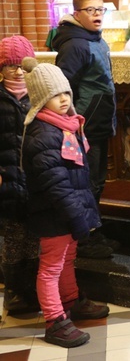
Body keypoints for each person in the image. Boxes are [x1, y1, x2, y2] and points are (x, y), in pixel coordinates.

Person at [21, 58, 110, 348]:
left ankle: (71, 300)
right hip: (54, 213)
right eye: (54, 96)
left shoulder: (67, 126)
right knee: (50, 268)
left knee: (67, 260)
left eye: (66, 93)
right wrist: (76, 216)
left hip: (68, 210)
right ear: (40, 100)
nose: (63, 100)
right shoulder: (44, 134)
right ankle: (55, 320)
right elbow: (55, 184)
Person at [52, 0, 118, 259]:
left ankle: (95, 231)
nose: (97, 14)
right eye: (90, 10)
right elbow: (63, 88)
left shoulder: (96, 40)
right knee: (86, 182)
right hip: (84, 126)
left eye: (100, 9)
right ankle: (86, 239)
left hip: (100, 121)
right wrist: (74, 122)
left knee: (97, 181)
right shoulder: (75, 44)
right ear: (77, 14)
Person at [0, 36, 40, 315]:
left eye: (21, 65)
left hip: (37, 179)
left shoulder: (39, 94)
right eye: (10, 65)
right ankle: (14, 292)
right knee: (14, 239)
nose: (16, 71)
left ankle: (33, 291)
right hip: (7, 179)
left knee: (35, 238)